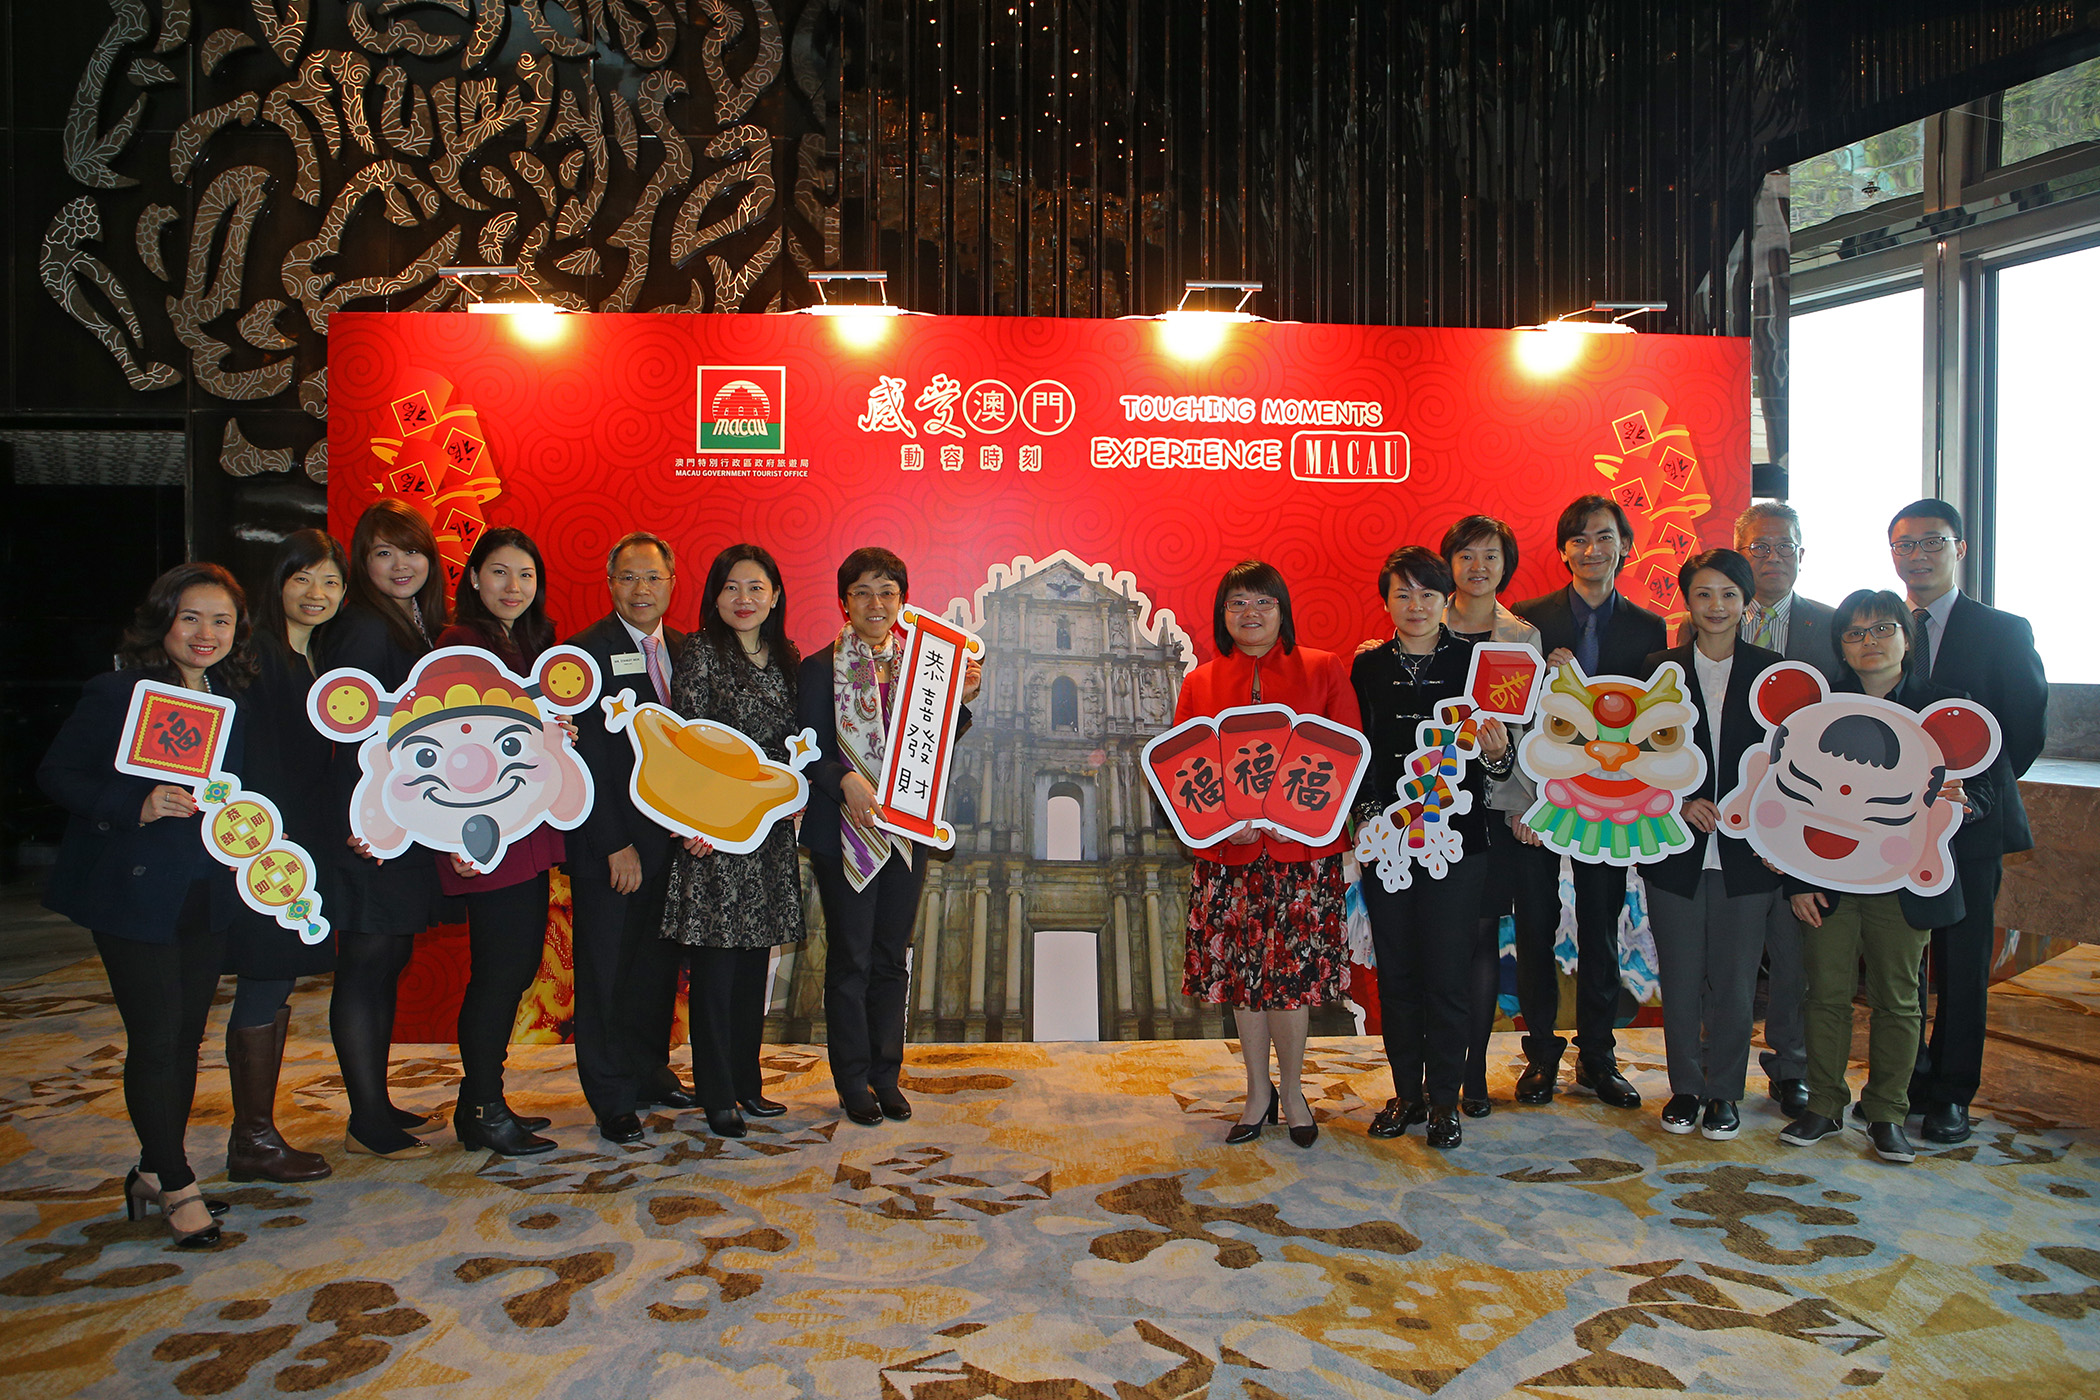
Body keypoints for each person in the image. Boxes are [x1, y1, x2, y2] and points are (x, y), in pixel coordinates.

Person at [40, 563, 258, 1246]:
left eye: (221, 620)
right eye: (190, 617)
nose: (205, 633)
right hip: (134, 893)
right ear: (163, 620)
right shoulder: (119, 693)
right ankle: (178, 1184)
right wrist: (134, 803)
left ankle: (152, 1169)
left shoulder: (230, 700)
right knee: (157, 1039)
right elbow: (57, 774)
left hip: (205, 890)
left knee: (185, 1040)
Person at [1779, 590, 1980, 1164]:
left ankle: (1888, 1112)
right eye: (1855, 633)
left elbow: (1985, 788)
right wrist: (1796, 880)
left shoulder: (1943, 709)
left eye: (1882, 629)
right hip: (1828, 878)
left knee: (1899, 999)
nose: (1869, 642)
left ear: (1907, 639)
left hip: (1903, 879)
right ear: (1840, 646)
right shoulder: (1819, 709)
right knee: (1825, 994)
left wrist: (1963, 802)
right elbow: (1786, 798)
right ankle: (1823, 1105)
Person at [1176, 560, 1360, 1148]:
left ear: (1282, 611)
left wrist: (1293, 819)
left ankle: (1295, 1091)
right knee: (1243, 980)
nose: (1249, 613)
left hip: (1300, 855)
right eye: (1236, 603)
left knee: (1290, 981)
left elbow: (1346, 755)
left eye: (1263, 602)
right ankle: (1258, 1093)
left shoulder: (1322, 668)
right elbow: (1185, 769)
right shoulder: (1200, 682)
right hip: (1229, 858)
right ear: (1221, 615)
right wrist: (1218, 828)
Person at [797, 548, 982, 1126]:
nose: (875, 603)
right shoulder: (819, 667)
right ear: (844, 602)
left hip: (905, 834)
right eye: (862, 592)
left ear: (902, 601)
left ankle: (886, 1074)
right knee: (850, 958)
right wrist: (842, 778)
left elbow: (933, 743)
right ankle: (852, 1080)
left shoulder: (923, 666)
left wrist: (957, 700)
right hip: (842, 831)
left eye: (887, 592)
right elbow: (804, 748)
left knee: (890, 958)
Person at [1889, 499, 2048, 1144]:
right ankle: (1906, 1076)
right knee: (1899, 957)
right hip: (1894, 825)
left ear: (1959, 549)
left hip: (1971, 825)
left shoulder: (2002, 630)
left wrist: (1972, 792)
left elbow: (2024, 729)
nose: (1918, 556)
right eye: (1905, 545)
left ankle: (1952, 1091)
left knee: (1961, 960)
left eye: (1932, 542)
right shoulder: (1883, 627)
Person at [1509, 496, 1667, 1108]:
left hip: (1609, 798)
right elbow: (1508, 706)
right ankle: (1540, 1054)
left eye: (1604, 537)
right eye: (1579, 539)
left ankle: (1598, 1055)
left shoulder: (1649, 628)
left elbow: (1652, 720)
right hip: (1542, 796)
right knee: (1536, 925)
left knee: (1601, 926)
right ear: (1563, 551)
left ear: (1624, 546)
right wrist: (1542, 675)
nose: (1592, 549)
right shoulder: (1527, 620)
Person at [1354, 547, 1514, 1150]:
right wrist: (1369, 818)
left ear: (1447, 599)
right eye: (1402, 594)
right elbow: (1357, 751)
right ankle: (1407, 1095)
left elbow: (1500, 766)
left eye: (1427, 594)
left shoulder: (1477, 664)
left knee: (1448, 975)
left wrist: (1497, 752)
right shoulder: (1366, 668)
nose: (1415, 606)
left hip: (1457, 842)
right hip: (1389, 844)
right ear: (1386, 602)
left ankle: (1446, 1099)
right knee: (1397, 974)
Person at [325, 500, 455, 1160]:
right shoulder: (363, 628)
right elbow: (349, 734)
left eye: (411, 551)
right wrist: (360, 818)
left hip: (400, 821)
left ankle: (374, 1103)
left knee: (387, 961)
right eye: (382, 553)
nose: (400, 564)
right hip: (371, 828)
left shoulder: (415, 624)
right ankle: (366, 1120)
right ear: (362, 563)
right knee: (366, 963)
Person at [1640, 549, 1784, 1141]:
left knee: (1734, 981)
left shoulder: (1775, 673)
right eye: (1703, 593)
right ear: (1687, 602)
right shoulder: (1659, 669)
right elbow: (1636, 757)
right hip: (1676, 849)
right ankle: (1684, 1087)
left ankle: (1724, 1092)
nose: (1716, 606)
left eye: (1729, 594)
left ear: (1746, 603)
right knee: (1680, 977)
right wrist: (1677, 801)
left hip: (1748, 853)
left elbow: (1790, 764)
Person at [663, 545, 805, 1138]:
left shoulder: (789, 658)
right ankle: (717, 1092)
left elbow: (797, 744)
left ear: (775, 596)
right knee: (716, 973)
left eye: (755, 588)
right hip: (715, 832)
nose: (743, 599)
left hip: (766, 832)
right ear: (714, 596)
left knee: (753, 969)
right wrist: (696, 818)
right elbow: (688, 741)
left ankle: (748, 1082)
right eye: (730, 588)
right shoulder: (700, 653)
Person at [434, 526, 568, 1156]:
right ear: (473, 579)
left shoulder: (533, 644)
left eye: (526, 575)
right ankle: (485, 1106)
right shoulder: (459, 645)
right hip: (484, 833)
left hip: (528, 829)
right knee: (498, 972)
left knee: (513, 969)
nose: (513, 587)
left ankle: (480, 1102)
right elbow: (449, 746)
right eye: (499, 572)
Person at [220, 531, 344, 1183]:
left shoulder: (314, 659)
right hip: (263, 847)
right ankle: (252, 1138)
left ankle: (255, 1132)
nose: (316, 593)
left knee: (275, 980)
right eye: (302, 579)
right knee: (266, 976)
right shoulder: (259, 656)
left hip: (297, 846)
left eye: (330, 582)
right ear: (277, 584)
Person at [564, 533, 693, 1145]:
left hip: (672, 846)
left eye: (653, 578)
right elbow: (581, 758)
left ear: (672, 584)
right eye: (628, 578)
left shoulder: (687, 651)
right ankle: (611, 1094)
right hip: (613, 849)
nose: (642, 590)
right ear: (610, 583)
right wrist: (613, 843)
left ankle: (648, 1070)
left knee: (654, 969)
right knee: (607, 972)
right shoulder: (582, 655)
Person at [1731, 501, 1834, 1120]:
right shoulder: (1703, 621)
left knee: (1794, 956)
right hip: (1728, 814)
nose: (1773, 558)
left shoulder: (1833, 627)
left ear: (1802, 554)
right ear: (1740, 554)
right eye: (1759, 547)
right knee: (1728, 956)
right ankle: (1718, 1068)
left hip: (1806, 812)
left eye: (1784, 546)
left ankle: (1791, 1067)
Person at [1438, 515, 1544, 1119]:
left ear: (1506, 565)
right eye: (1466, 555)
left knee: (1481, 936)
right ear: (1449, 564)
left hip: (1497, 806)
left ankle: (1472, 1069)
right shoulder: (1425, 621)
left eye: (1491, 556)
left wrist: (1527, 800)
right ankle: (1436, 1068)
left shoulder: (1522, 638)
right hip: (1432, 805)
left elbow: (1533, 731)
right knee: (1440, 941)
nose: (1478, 567)